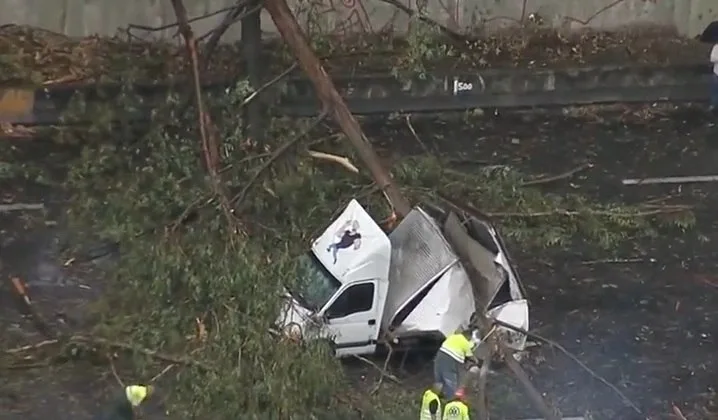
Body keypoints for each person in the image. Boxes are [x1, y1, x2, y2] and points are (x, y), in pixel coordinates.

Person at [434, 329, 479, 398]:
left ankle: (434, 396)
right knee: (451, 382)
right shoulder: (465, 342)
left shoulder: (453, 336)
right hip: (450, 361)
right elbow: (470, 356)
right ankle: (450, 401)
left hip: (439, 356)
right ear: (468, 336)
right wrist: (476, 361)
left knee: (439, 381)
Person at [711, 42, 718, 114]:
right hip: (717, 73)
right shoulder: (716, 47)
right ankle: (715, 109)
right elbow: (712, 58)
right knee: (715, 92)